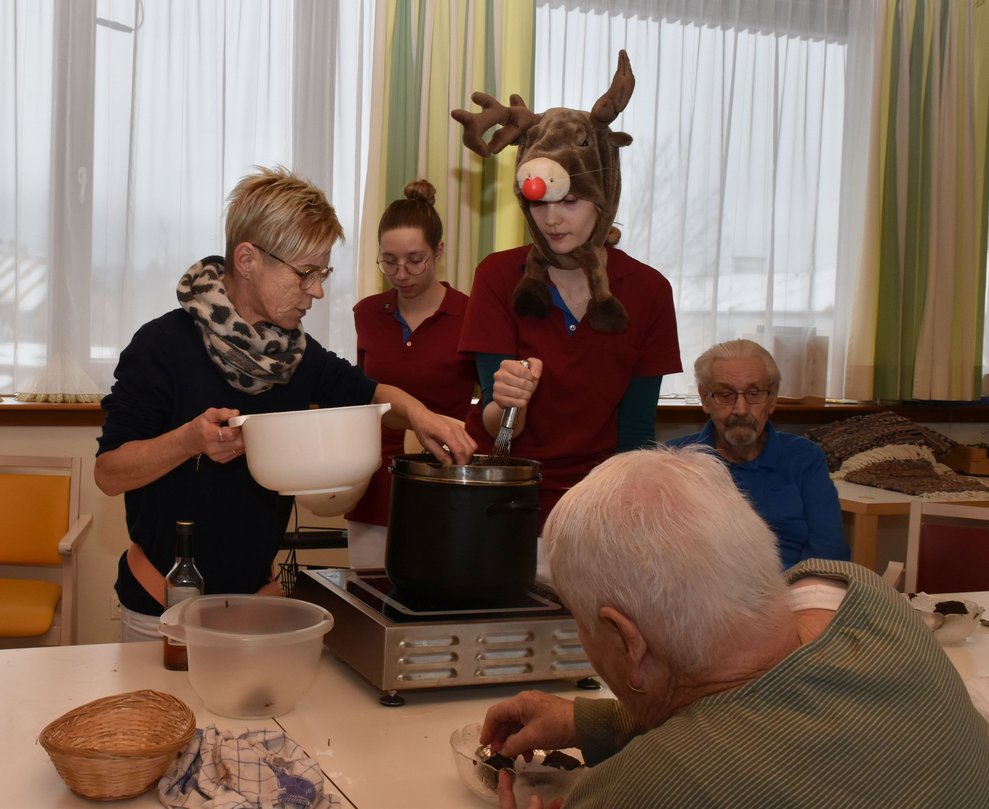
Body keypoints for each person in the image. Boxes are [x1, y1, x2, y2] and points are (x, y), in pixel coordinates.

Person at [480, 445, 989, 809]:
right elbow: (761, 706)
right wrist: (590, 722)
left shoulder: (652, 788)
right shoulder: (860, 594)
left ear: (627, 643)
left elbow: (720, 740)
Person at [94, 166, 476, 641]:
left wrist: (422, 416)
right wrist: (188, 439)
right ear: (249, 259)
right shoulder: (161, 346)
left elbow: (372, 394)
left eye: (323, 272)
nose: (316, 290)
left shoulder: (294, 353)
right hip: (162, 612)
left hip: (257, 607)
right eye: (305, 273)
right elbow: (109, 473)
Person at [455, 54, 681, 531]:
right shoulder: (498, 276)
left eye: (571, 202)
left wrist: (621, 519)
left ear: (605, 194)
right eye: (538, 204)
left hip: (599, 507)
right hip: (503, 499)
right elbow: (496, 429)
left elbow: (637, 433)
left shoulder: (648, 292)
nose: (553, 220)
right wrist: (505, 401)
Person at [345, 179, 476, 568]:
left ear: (439, 251)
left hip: (444, 484)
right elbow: (361, 392)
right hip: (373, 484)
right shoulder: (366, 313)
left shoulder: (471, 314)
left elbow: (493, 405)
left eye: (415, 260)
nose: (400, 273)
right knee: (369, 599)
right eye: (388, 260)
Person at [667, 338, 849, 568]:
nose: (741, 410)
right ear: (705, 399)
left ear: (772, 399)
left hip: (796, 593)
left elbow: (829, 549)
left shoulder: (805, 458)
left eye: (754, 394)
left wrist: (791, 597)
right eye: (725, 394)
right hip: (706, 598)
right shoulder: (674, 461)